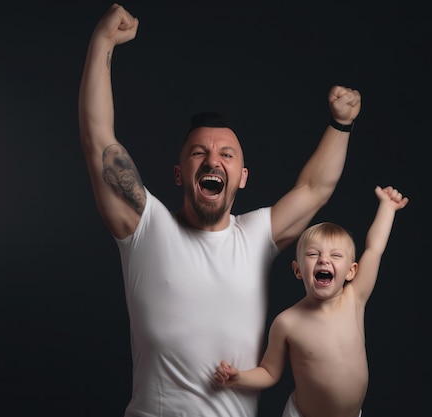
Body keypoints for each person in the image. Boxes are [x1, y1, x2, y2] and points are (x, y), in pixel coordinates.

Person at [78, 3, 361, 416]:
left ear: (242, 176)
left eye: (226, 154)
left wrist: (341, 124)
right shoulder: (147, 228)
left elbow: (315, 188)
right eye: (200, 153)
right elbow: (97, 139)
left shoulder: (255, 236)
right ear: (179, 173)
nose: (213, 161)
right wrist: (102, 42)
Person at [213, 185, 409, 417]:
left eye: (335, 256)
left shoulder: (354, 298)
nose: (324, 261)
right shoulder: (288, 322)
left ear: (351, 271)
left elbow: (374, 249)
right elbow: (269, 371)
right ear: (298, 270)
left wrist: (387, 208)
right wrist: (240, 377)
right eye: (313, 254)